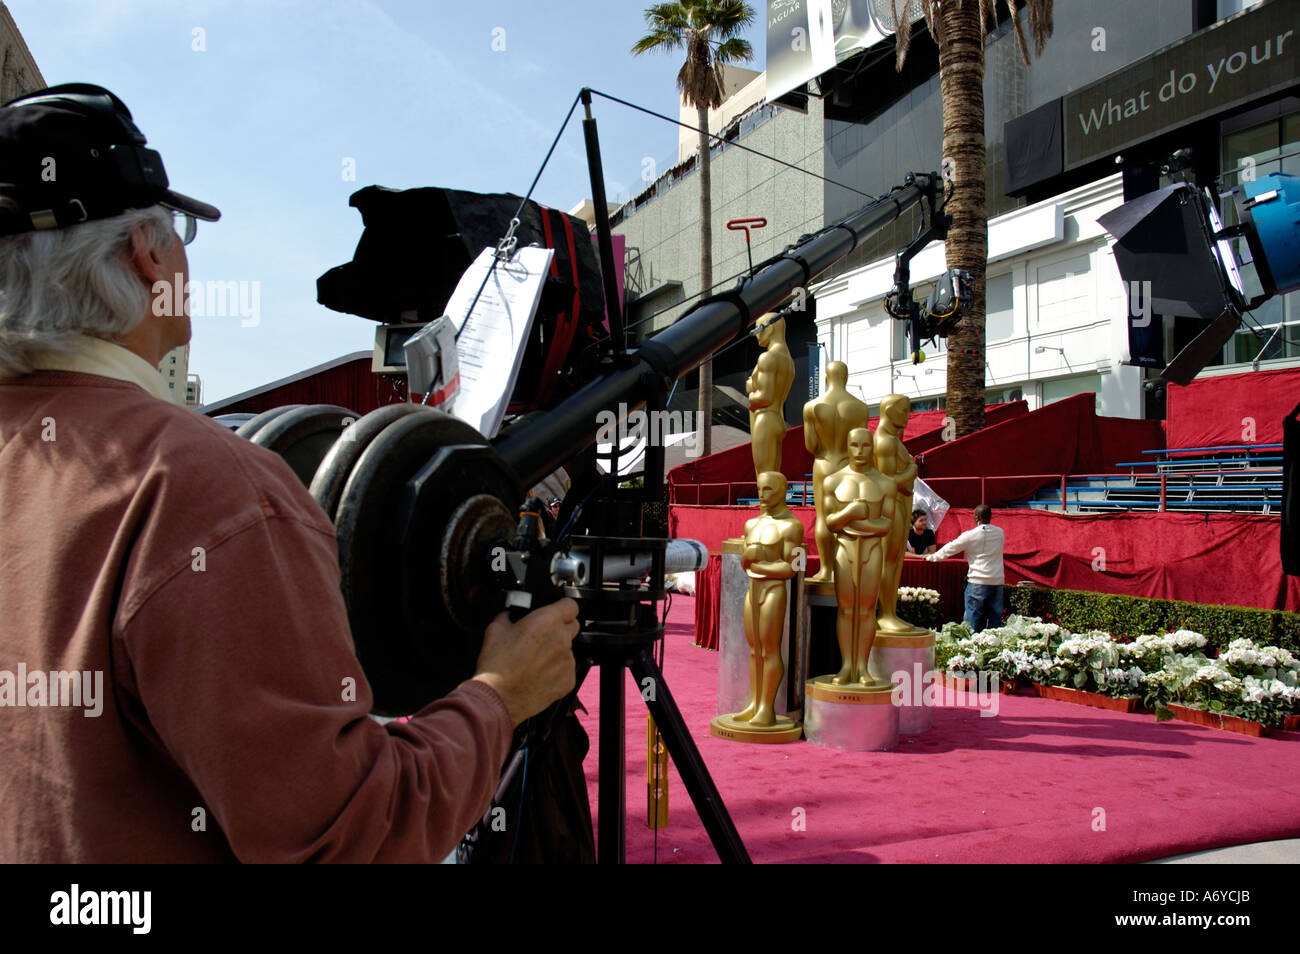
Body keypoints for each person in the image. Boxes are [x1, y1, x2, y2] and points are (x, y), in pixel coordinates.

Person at [0, 84, 579, 863]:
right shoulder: (202, 487)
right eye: (179, 238)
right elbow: (347, 836)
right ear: (148, 255)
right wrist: (500, 700)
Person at [926, 504, 1005, 633]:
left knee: (972, 618)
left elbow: (951, 548)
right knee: (995, 620)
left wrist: (932, 557)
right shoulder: (1000, 533)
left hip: (978, 580)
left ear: (977, 517)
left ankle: (968, 646)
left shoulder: (971, 535)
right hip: (997, 580)